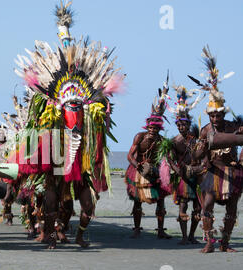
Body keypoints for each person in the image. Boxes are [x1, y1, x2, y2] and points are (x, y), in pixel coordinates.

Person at [12, 0, 123, 249]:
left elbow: (100, 128)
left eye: (77, 105)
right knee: (51, 200)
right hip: (57, 159)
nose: (73, 108)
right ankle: (49, 233)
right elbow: (38, 124)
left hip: (80, 163)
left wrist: (102, 112)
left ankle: (81, 234)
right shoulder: (51, 111)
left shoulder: (90, 112)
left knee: (88, 205)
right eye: (69, 105)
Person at [189, 46, 243, 253]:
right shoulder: (205, 131)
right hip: (212, 173)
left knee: (231, 209)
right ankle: (209, 241)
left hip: (231, 170)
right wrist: (200, 151)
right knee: (207, 205)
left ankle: (225, 244)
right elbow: (196, 155)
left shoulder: (232, 128)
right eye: (212, 116)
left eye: (218, 115)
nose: (215, 119)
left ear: (223, 114)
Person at [125, 76, 172, 239]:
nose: (153, 129)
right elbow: (129, 155)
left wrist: (163, 172)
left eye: (156, 127)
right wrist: (138, 166)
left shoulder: (162, 141)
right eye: (151, 126)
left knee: (160, 200)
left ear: (159, 128)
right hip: (139, 170)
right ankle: (137, 228)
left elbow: (166, 158)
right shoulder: (140, 137)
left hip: (154, 171)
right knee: (138, 200)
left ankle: (160, 230)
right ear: (147, 125)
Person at [166, 85, 204, 244]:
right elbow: (170, 159)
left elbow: (204, 156)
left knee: (198, 208)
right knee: (182, 207)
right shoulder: (174, 141)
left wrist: (199, 169)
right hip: (183, 178)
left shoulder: (196, 140)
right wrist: (179, 171)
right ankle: (183, 237)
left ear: (189, 125)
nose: (182, 128)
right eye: (179, 125)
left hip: (197, 177)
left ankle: (192, 235)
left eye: (184, 125)